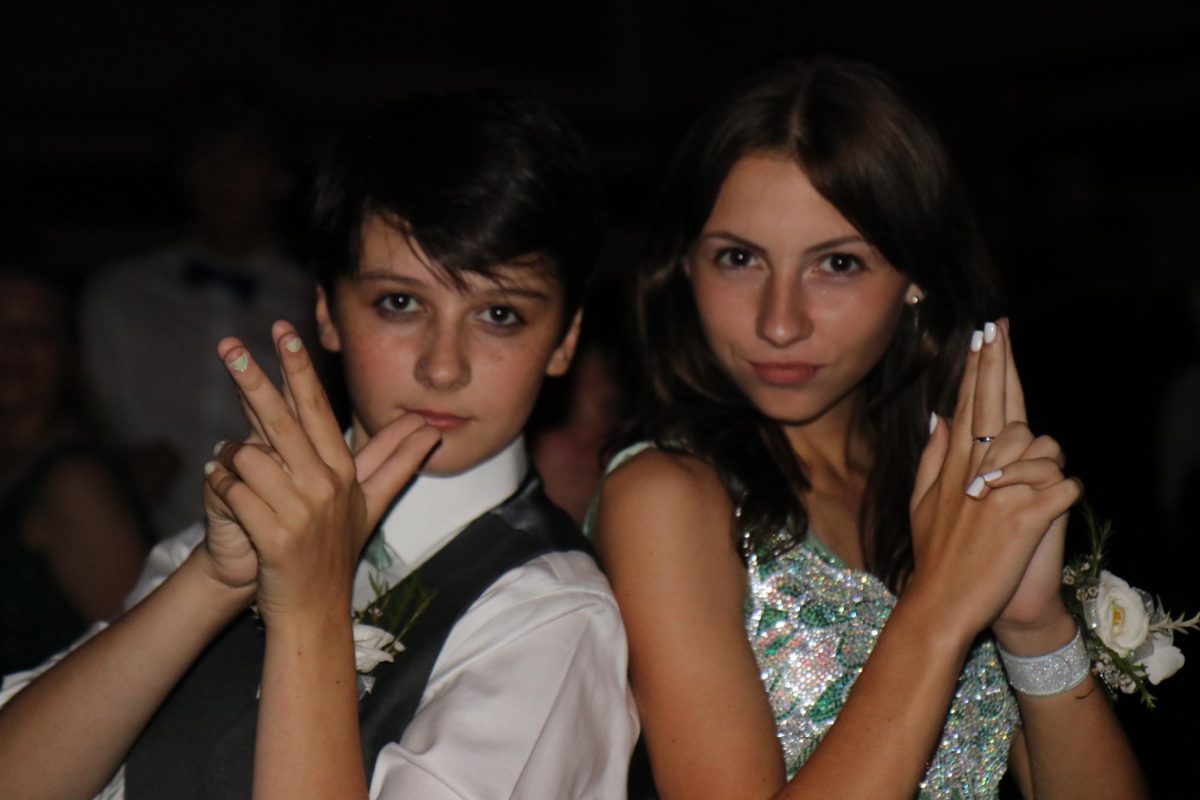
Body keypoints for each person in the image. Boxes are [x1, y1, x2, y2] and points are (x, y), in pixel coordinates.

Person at [0, 92, 637, 799]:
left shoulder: (550, 614)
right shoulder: (235, 531)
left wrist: (308, 609)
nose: (443, 366)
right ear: (327, 313)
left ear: (565, 341)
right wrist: (210, 579)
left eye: (498, 314)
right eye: (400, 302)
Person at [592, 58, 1146, 799]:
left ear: (916, 274)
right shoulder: (667, 496)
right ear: (683, 267)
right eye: (738, 258)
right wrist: (944, 604)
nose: (779, 321)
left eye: (838, 265)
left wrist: (1034, 626)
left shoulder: (942, 486)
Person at [80, 83, 318, 537]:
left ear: (280, 177)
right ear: (183, 170)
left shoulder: (317, 302)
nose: (222, 175)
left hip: (277, 542)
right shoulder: (118, 295)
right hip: (130, 543)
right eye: (207, 156)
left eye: (244, 158)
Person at [0, 266, 152, 673]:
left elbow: (140, 655)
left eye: (36, 333)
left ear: (68, 355)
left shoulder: (75, 484)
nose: (12, 348)